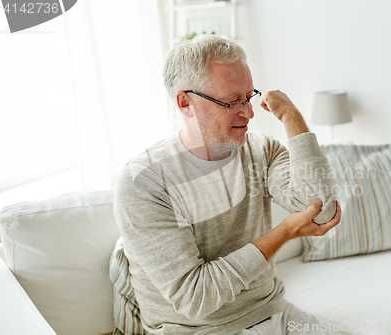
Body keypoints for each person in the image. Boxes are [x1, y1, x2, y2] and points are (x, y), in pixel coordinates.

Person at [114, 35, 345, 335]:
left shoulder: (259, 149)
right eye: (232, 101)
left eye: (248, 97)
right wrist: (285, 231)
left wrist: (292, 117)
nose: (248, 113)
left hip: (273, 313)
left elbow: (322, 212)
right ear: (186, 103)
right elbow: (195, 298)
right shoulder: (144, 182)